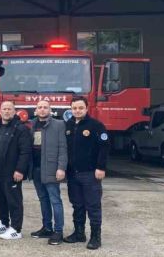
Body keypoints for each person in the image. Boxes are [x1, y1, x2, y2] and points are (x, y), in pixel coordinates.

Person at [64, 96, 109, 250]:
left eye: (80, 108)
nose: (77, 111)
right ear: (71, 109)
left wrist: (101, 167)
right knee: (77, 205)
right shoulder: (68, 125)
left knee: (93, 205)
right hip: (72, 174)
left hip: (90, 173)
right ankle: (79, 233)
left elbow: (104, 147)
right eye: (74, 108)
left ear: (87, 108)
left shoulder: (96, 125)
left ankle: (95, 237)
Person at [0, 101, 32, 240]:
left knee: (14, 201)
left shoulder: (21, 129)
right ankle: (4, 223)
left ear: (14, 112)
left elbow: (25, 151)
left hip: (12, 172)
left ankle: (16, 230)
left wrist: (20, 170)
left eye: (9, 109)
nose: (6, 111)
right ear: (0, 111)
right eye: (4, 109)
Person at [29, 100, 68, 245]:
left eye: (45, 107)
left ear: (50, 110)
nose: (42, 109)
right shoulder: (32, 124)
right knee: (43, 199)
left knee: (55, 200)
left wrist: (61, 168)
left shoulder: (59, 125)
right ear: (36, 110)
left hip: (51, 168)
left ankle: (58, 231)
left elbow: (63, 148)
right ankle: (47, 228)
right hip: (36, 169)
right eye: (40, 107)